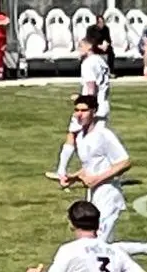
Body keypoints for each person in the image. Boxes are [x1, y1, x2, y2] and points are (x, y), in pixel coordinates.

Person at [60, 95, 147, 271]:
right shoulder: (81, 137)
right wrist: (73, 177)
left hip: (108, 195)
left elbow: (124, 162)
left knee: (98, 246)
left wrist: (97, 179)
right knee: (101, 246)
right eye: (77, 110)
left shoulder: (104, 135)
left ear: (94, 112)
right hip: (93, 196)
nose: (79, 114)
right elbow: (90, 167)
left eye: (84, 110)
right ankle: (140, 260)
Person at [46, 36, 108, 182]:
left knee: (73, 135)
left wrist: (85, 102)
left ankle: (62, 172)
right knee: (97, 140)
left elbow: (91, 85)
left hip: (89, 107)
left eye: (81, 46)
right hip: (103, 105)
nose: (79, 49)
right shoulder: (102, 61)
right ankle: (101, 172)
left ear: (89, 47)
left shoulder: (88, 63)